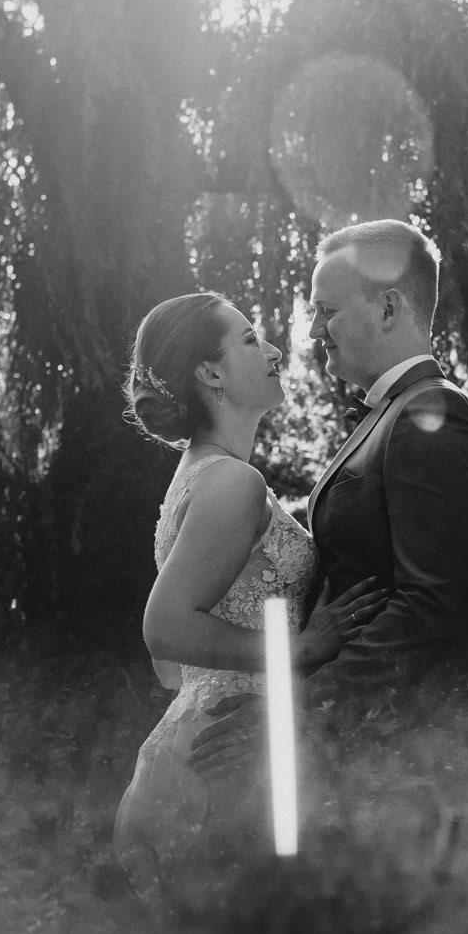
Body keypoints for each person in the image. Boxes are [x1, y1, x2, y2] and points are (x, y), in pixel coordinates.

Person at [194, 219, 468, 794]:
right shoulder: (393, 416)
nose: (313, 331)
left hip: (423, 766)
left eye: (326, 311)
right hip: (375, 761)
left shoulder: (432, 418)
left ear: (388, 309)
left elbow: (429, 608)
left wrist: (291, 711)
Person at [115, 292, 384, 872]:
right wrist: (302, 648)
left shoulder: (204, 473)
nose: (274, 349)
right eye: (248, 339)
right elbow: (165, 627)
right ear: (210, 373)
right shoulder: (231, 482)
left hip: (226, 738)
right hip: (223, 760)